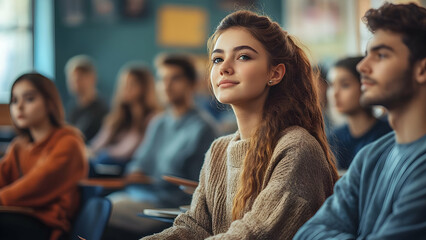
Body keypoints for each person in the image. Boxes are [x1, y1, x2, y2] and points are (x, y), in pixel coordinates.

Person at [143, 10, 338, 240]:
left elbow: (255, 234)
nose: (224, 67)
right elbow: (191, 228)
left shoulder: (296, 147)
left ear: (275, 73)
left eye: (243, 56)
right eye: (217, 59)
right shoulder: (218, 150)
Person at [294, 3, 426, 239]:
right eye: (367, 55)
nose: (362, 66)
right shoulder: (371, 156)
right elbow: (307, 233)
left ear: (424, 69)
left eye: (382, 55)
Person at [102, 54, 218, 239]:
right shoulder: (159, 122)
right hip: (139, 195)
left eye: (175, 78)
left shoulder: (203, 129)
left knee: (102, 212)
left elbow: (199, 190)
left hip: (168, 207)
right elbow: (139, 162)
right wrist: (137, 171)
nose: (166, 85)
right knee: (98, 206)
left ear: (191, 84)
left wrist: (154, 178)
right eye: (162, 79)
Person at [0, 73, 87, 240]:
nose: (19, 107)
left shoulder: (69, 143)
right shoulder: (19, 146)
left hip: (47, 225)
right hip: (19, 214)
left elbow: (34, 185)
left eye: (29, 99)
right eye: (14, 100)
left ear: (49, 103)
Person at [89, 64, 160, 174]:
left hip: (128, 168)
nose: (125, 88)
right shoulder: (117, 116)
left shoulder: (152, 118)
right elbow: (98, 144)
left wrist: (104, 152)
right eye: (124, 83)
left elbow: (128, 151)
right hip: (108, 163)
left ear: (144, 87)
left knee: (101, 161)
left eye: (132, 84)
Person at [328, 56, 392, 170]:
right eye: (332, 85)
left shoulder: (387, 135)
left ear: (365, 86)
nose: (335, 93)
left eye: (345, 85)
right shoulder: (334, 138)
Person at [65, 55, 108, 142]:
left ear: (93, 78)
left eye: (80, 77)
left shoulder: (103, 109)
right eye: (71, 78)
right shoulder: (72, 109)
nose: (75, 81)